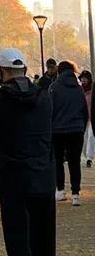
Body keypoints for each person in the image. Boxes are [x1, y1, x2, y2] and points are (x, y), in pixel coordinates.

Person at [0, 47, 55, 256]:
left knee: (17, 235)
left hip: (13, 177)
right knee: (44, 237)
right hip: (44, 174)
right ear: (25, 69)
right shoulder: (44, 97)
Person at [49, 59, 88, 205]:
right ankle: (76, 194)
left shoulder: (54, 87)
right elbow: (84, 111)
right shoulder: (78, 89)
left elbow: (50, 110)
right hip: (76, 129)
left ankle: (60, 191)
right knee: (74, 162)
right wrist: (81, 127)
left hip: (58, 130)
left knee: (58, 161)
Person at [79, 70, 94, 166]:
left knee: (91, 137)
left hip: (92, 117)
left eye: (85, 78)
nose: (83, 80)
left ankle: (89, 157)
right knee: (84, 138)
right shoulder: (78, 90)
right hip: (82, 117)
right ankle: (85, 154)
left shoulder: (93, 90)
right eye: (82, 78)